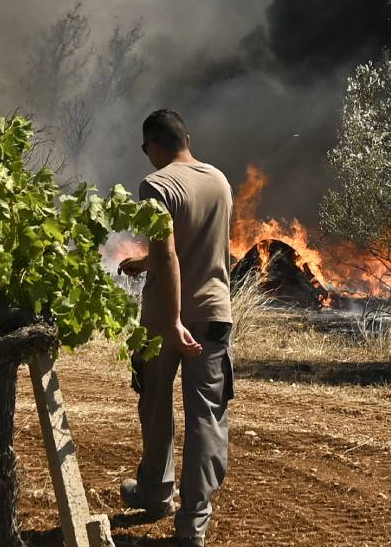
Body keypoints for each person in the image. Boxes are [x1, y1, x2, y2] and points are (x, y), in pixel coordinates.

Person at [116, 108, 234, 545]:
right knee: (207, 417)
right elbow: (196, 245)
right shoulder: (220, 181)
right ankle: (192, 525)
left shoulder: (157, 185)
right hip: (216, 315)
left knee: (153, 401)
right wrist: (143, 261)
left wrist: (172, 321)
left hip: (167, 318)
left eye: (146, 148)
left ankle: (154, 491)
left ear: (156, 145)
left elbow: (168, 253)